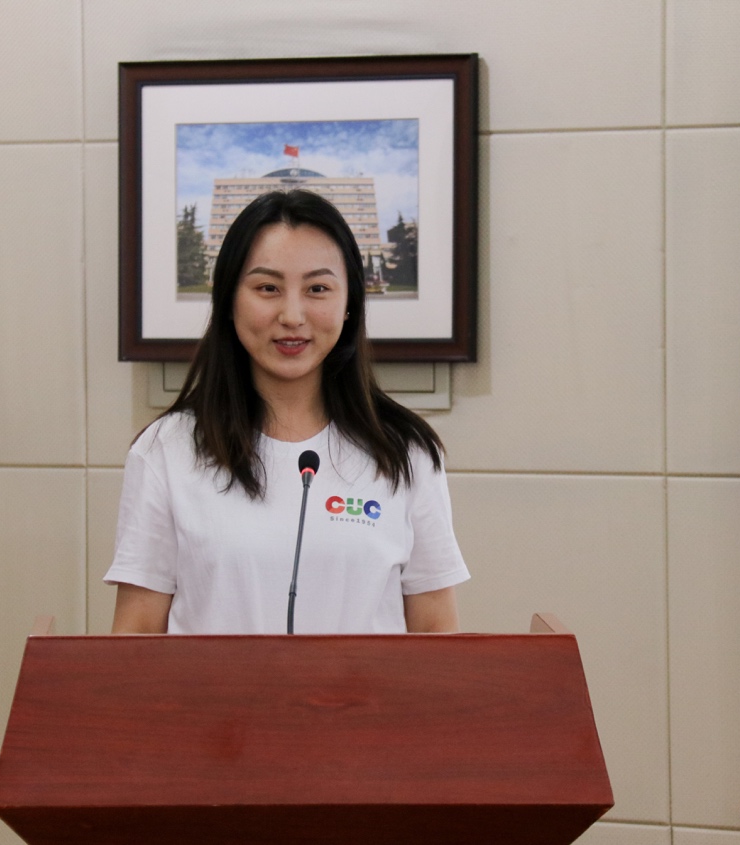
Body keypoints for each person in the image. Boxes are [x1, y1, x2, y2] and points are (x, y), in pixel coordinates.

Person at [105, 189, 468, 634]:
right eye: (267, 288)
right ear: (229, 300)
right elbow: (136, 637)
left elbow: (437, 637)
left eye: (317, 289)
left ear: (349, 303)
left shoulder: (405, 452)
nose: (292, 315)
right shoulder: (167, 449)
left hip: (364, 686)